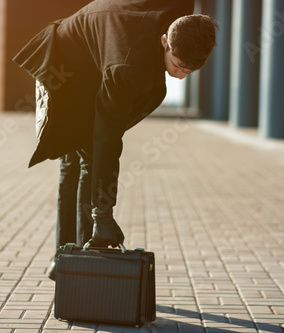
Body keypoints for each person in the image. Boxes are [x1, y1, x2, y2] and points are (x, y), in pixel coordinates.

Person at [13, 0, 217, 280]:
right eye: (178, 66)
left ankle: (72, 260)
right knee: (80, 160)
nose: (181, 76)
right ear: (164, 41)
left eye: (189, 72)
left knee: (87, 159)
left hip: (96, 63)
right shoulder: (128, 66)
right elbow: (107, 139)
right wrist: (104, 213)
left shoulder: (180, 18)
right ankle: (74, 261)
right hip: (63, 66)